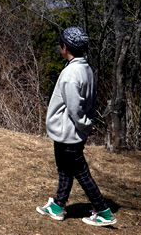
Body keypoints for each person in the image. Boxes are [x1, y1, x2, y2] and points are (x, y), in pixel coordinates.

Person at [36, 26, 117, 227]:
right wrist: (88, 124)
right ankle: (58, 206)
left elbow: (74, 108)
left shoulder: (71, 73)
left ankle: (104, 212)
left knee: (80, 172)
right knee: (65, 169)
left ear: (65, 47)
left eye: (60, 44)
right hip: (73, 132)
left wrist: (86, 124)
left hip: (69, 132)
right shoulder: (85, 68)